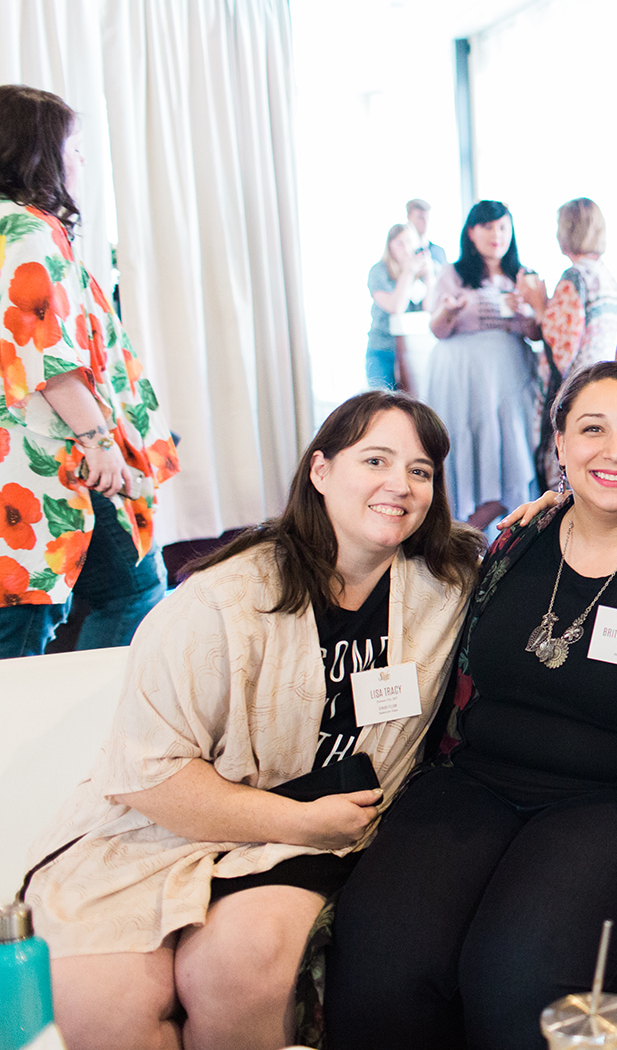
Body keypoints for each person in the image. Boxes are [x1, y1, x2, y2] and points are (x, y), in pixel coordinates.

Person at [324, 360, 617, 1049]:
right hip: (471, 784)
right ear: (559, 444)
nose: (615, 450)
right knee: (383, 965)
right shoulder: (518, 540)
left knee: (517, 982)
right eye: (592, 429)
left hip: (613, 804)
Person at [21, 390, 482, 1050]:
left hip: (314, 840)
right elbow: (149, 774)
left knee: (239, 970)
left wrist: (557, 506)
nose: (400, 485)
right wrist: (301, 820)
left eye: (420, 470)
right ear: (320, 470)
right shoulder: (222, 600)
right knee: (98, 1003)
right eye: (375, 460)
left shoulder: (446, 584)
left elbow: (549, 564)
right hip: (170, 825)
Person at [0, 84, 178, 658]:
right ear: (38, 154)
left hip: (24, 454)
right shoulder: (29, 232)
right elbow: (49, 356)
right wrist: (99, 441)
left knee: (113, 590)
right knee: (48, 616)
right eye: (73, 149)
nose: (81, 162)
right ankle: (93, 710)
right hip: (47, 453)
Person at [426, 199, 551, 529]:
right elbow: (437, 329)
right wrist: (450, 310)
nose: (497, 235)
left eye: (503, 227)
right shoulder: (453, 273)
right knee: (469, 445)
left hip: (510, 378)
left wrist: (527, 311)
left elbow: (538, 333)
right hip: (462, 381)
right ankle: (460, 529)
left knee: (511, 450)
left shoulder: (523, 275)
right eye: (488, 227)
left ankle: (500, 532)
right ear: (471, 232)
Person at [541, 197, 617, 378]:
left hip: (577, 382)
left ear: (568, 230)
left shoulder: (574, 278)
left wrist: (540, 307)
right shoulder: (606, 276)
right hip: (598, 377)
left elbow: (561, 349)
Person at [366, 222, 436, 391]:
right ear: (390, 246)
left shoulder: (423, 272)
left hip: (414, 351)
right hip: (382, 351)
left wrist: (429, 276)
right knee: (381, 400)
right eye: (399, 243)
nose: (406, 248)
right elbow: (396, 307)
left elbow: (431, 308)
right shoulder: (379, 272)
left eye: (409, 242)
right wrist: (408, 272)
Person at [406, 198, 449, 269]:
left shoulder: (438, 252)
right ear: (409, 217)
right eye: (420, 217)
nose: (425, 222)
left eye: (427, 218)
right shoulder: (402, 251)